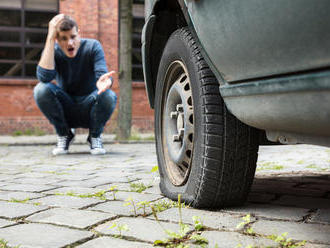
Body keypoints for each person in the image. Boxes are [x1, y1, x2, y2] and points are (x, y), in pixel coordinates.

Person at [34, 14, 117, 155]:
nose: (70, 43)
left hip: (89, 106)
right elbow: (44, 77)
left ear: (79, 34)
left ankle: (95, 136)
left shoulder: (92, 46)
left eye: (72, 37)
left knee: (109, 95)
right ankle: (64, 134)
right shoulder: (53, 50)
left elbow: (103, 75)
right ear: (57, 39)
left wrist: (107, 82)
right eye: (63, 39)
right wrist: (50, 38)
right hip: (67, 108)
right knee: (40, 90)